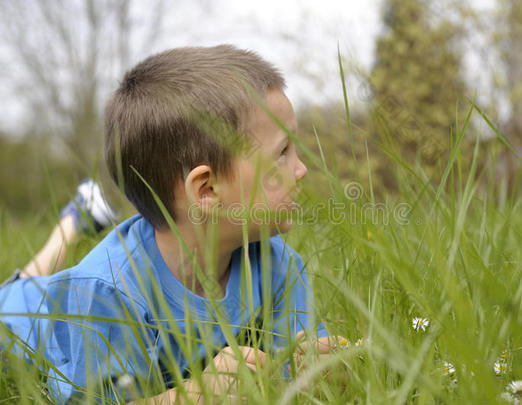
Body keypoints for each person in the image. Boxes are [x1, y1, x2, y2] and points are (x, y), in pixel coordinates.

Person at [0, 45, 338, 404]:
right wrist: (198, 392)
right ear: (206, 190)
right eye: (282, 153)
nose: (301, 169)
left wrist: (319, 365)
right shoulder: (106, 293)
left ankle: (78, 217)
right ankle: (73, 222)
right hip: (15, 319)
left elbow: (294, 365)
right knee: (25, 290)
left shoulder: (276, 263)